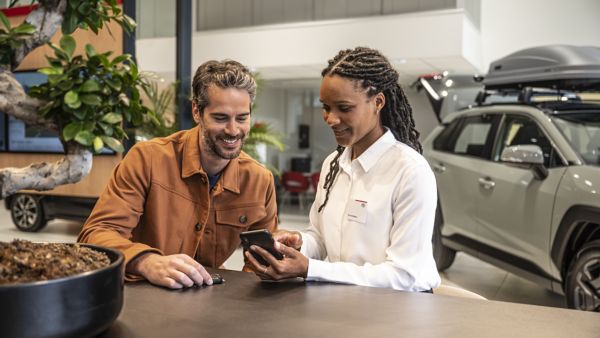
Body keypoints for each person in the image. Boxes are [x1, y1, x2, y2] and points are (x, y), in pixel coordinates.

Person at [245, 47, 440, 292]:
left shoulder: (410, 171)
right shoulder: (333, 165)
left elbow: (404, 275)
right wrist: (299, 244)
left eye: (344, 108)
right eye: (326, 107)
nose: (330, 119)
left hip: (398, 312)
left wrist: (311, 269)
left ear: (378, 102)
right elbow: (321, 238)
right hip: (343, 302)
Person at [78, 60, 278, 289]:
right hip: (142, 295)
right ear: (196, 111)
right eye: (221, 118)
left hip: (211, 303)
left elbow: (263, 260)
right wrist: (146, 261)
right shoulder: (147, 159)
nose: (233, 130)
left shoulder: (259, 180)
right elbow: (95, 236)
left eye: (242, 118)